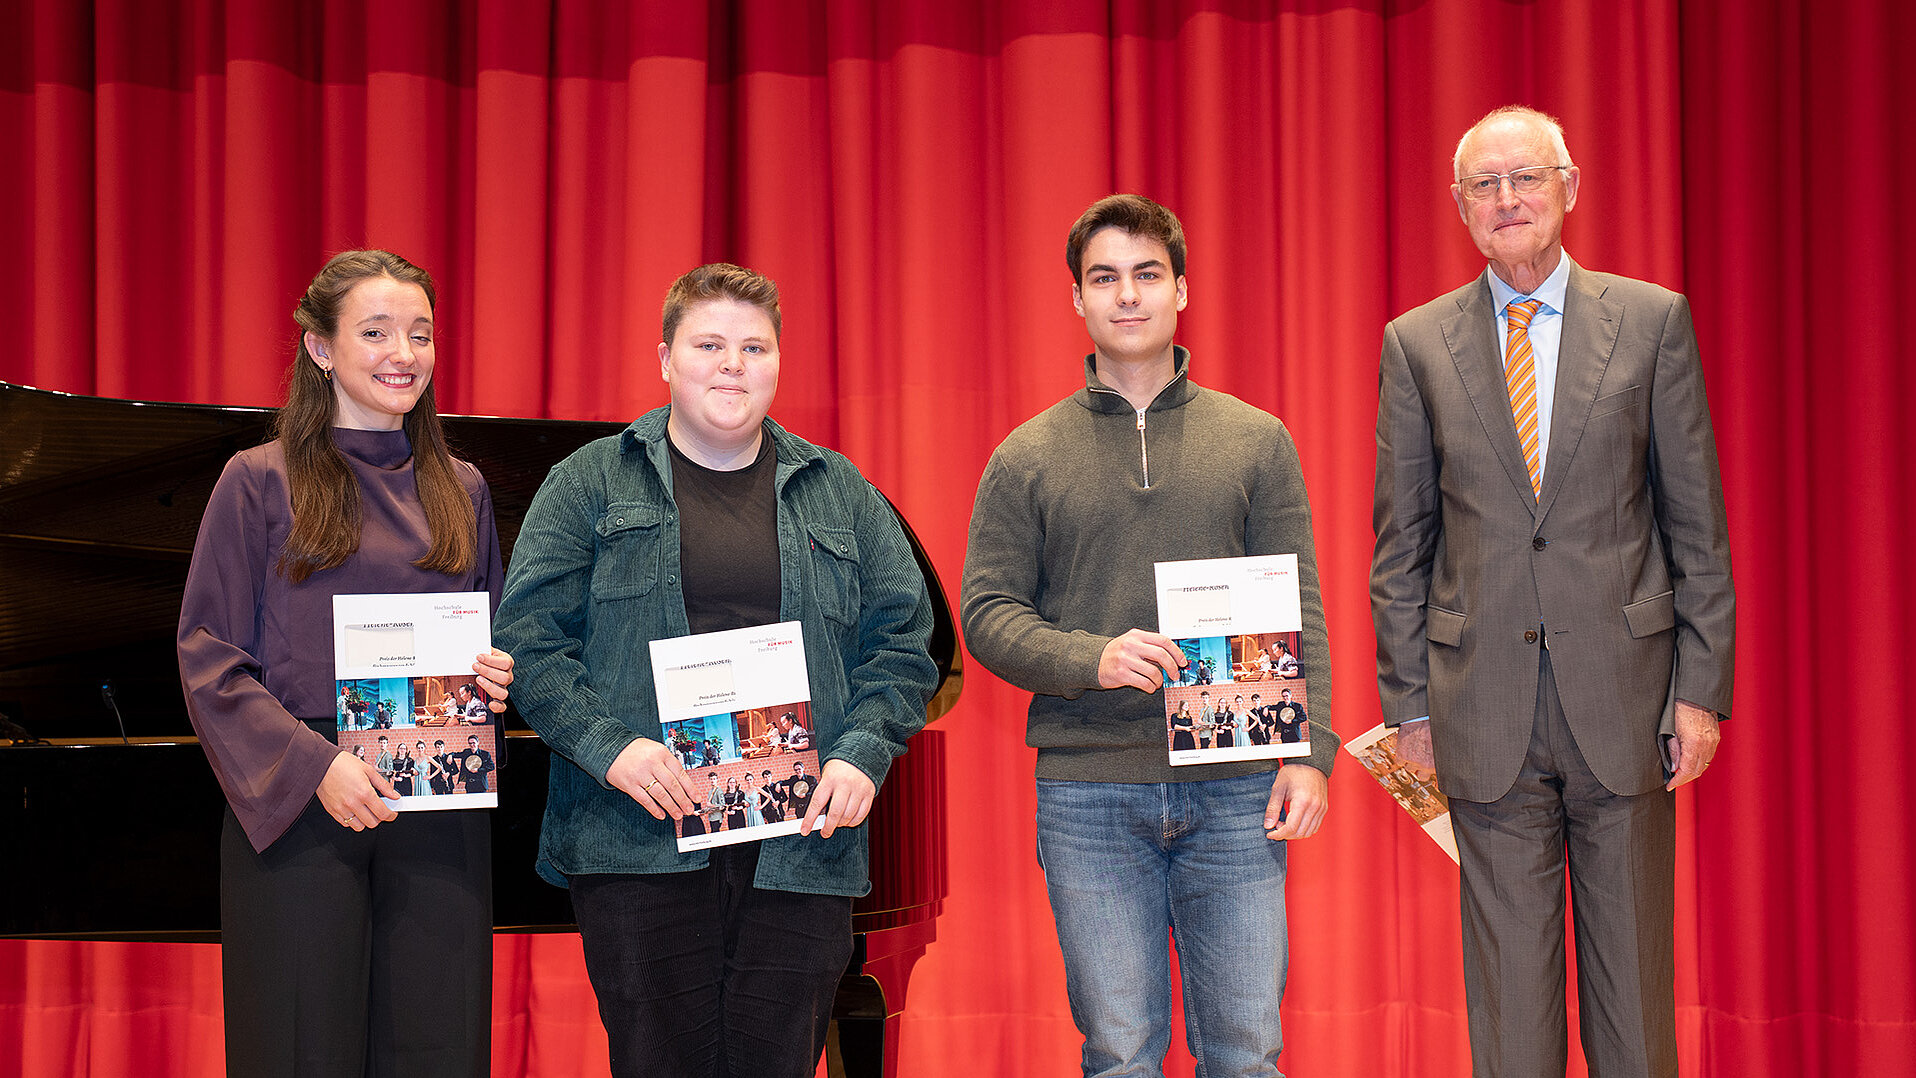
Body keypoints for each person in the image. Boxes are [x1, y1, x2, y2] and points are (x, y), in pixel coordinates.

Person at [492, 262, 938, 1078]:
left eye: (754, 347)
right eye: (709, 344)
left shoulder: (840, 491)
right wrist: (612, 748)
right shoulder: (587, 484)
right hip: (637, 836)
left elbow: (907, 642)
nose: (733, 365)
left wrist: (862, 751)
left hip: (802, 840)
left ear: (778, 361)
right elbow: (528, 641)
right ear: (665, 359)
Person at [1370, 106, 1735, 1077]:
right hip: (1478, 715)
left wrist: (1697, 690)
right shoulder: (1414, 344)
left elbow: (1692, 520)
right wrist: (1406, 704)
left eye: (1523, 178)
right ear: (1458, 208)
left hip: (1625, 706)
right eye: (1483, 187)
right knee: (1510, 1014)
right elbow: (1399, 544)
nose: (1506, 201)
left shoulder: (1650, 321)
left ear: (1567, 187)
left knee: (1631, 1002)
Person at [961, 194, 1339, 1076]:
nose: (1126, 296)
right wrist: (1090, 658)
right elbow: (986, 614)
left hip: (1241, 792)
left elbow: (1302, 608)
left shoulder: (1257, 440)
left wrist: (1310, 754)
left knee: (1247, 1054)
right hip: (1089, 797)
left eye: (1145, 275)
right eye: (1104, 279)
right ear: (1077, 301)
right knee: (1120, 1054)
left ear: (1181, 291)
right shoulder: (1026, 454)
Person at [176, 249, 514, 1076]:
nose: (405, 353)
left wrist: (503, 672)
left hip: (439, 791)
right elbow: (208, 656)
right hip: (299, 798)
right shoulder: (255, 481)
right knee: (301, 1047)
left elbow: (502, 630)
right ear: (320, 348)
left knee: (438, 1043)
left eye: (421, 334)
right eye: (376, 331)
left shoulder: (461, 486)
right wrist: (317, 767)